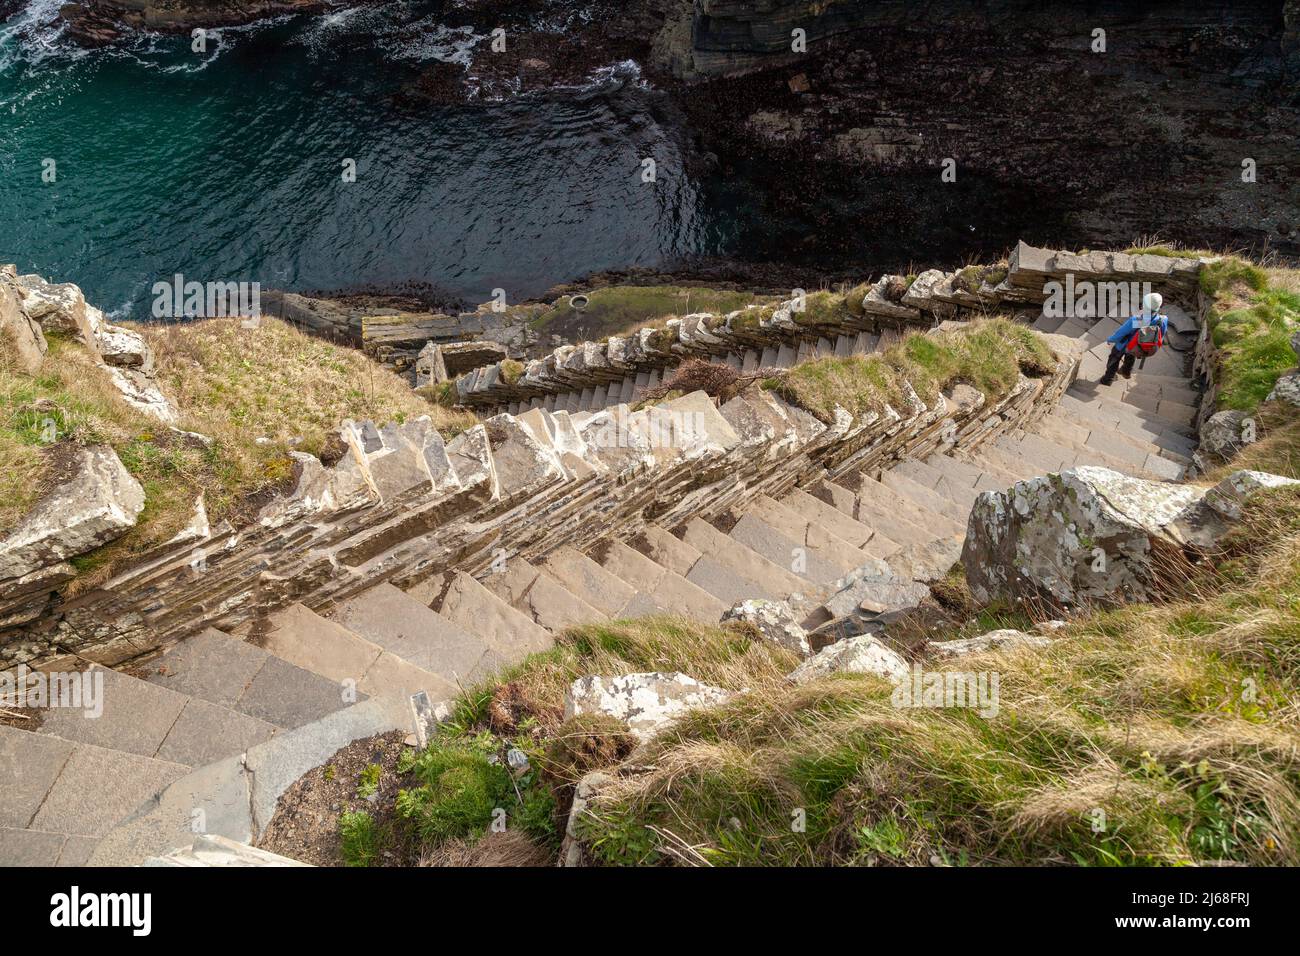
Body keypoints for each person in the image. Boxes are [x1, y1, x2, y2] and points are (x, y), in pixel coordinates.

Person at [1099, 291, 1169, 385]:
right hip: (1139, 347)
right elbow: (1162, 333)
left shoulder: (1138, 320)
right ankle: (1126, 372)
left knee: (1114, 359)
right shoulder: (1163, 319)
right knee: (1131, 357)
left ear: (1145, 305)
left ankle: (1108, 379)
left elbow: (1122, 332)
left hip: (1125, 344)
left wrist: (1110, 339)